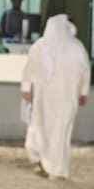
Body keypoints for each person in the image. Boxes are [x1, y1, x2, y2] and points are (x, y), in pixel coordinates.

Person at [21, 13, 90, 179]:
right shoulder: (77, 47)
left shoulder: (40, 46)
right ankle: (53, 167)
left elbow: (28, 72)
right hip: (62, 100)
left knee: (49, 130)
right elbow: (86, 72)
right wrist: (83, 93)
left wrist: (26, 90)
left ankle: (50, 166)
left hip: (48, 99)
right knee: (60, 132)